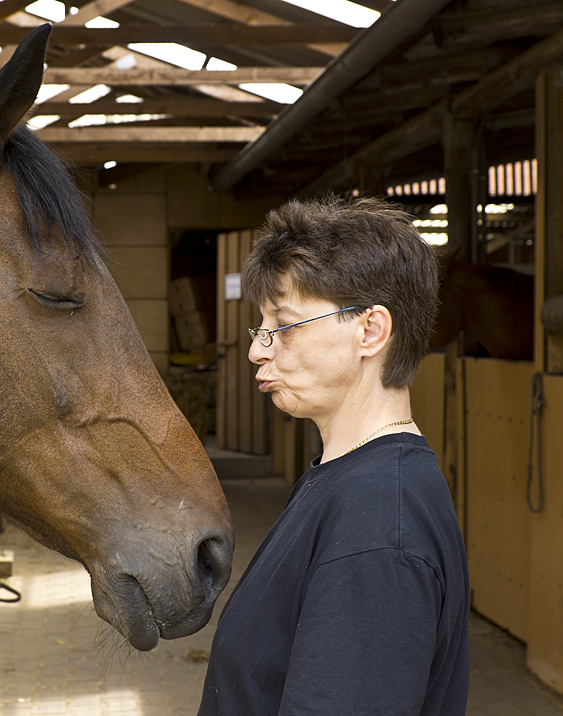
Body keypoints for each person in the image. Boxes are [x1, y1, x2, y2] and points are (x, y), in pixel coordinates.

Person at [197, 195, 469, 715]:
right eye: (261, 326)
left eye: (284, 324)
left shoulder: (380, 527)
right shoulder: (344, 475)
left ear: (370, 331)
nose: (258, 348)